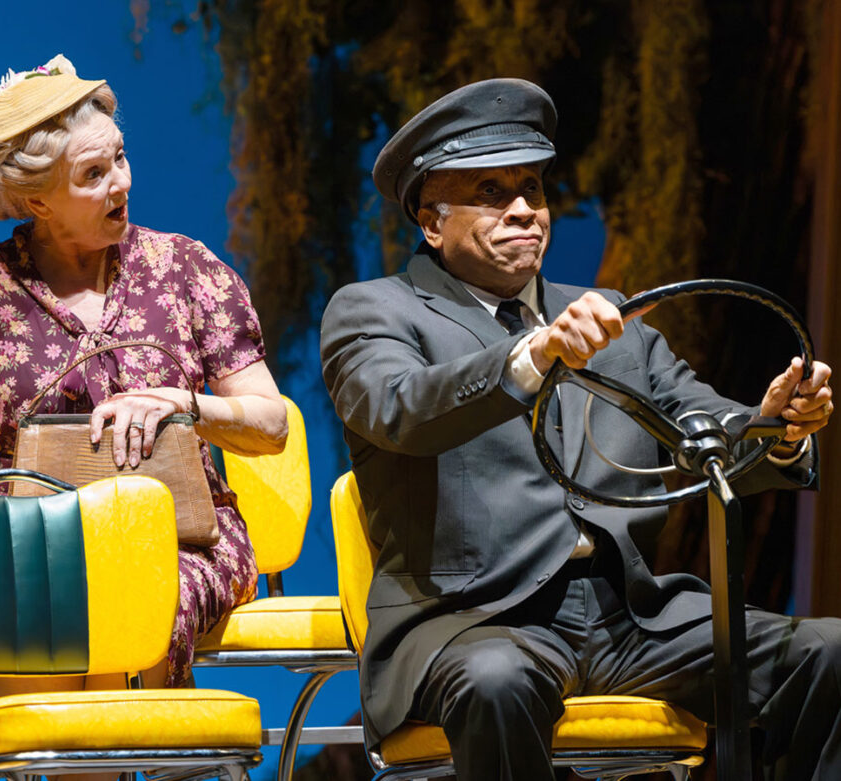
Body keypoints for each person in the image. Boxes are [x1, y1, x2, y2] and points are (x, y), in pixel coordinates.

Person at [319, 78, 839, 780]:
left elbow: (701, 426)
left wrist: (775, 426)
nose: (523, 211)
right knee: (497, 679)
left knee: (828, 654)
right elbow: (399, 410)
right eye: (491, 192)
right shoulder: (376, 311)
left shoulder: (612, 319)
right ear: (430, 222)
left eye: (532, 189)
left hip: (630, 616)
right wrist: (534, 354)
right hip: (474, 619)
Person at [0, 55, 287, 697]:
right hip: (35, 543)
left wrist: (184, 403)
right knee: (30, 606)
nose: (121, 182)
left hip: (179, 542)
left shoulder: (185, 267)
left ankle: (126, 740)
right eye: (94, 174)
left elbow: (271, 424)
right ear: (38, 200)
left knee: (133, 596)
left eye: (119, 157)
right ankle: (83, 747)